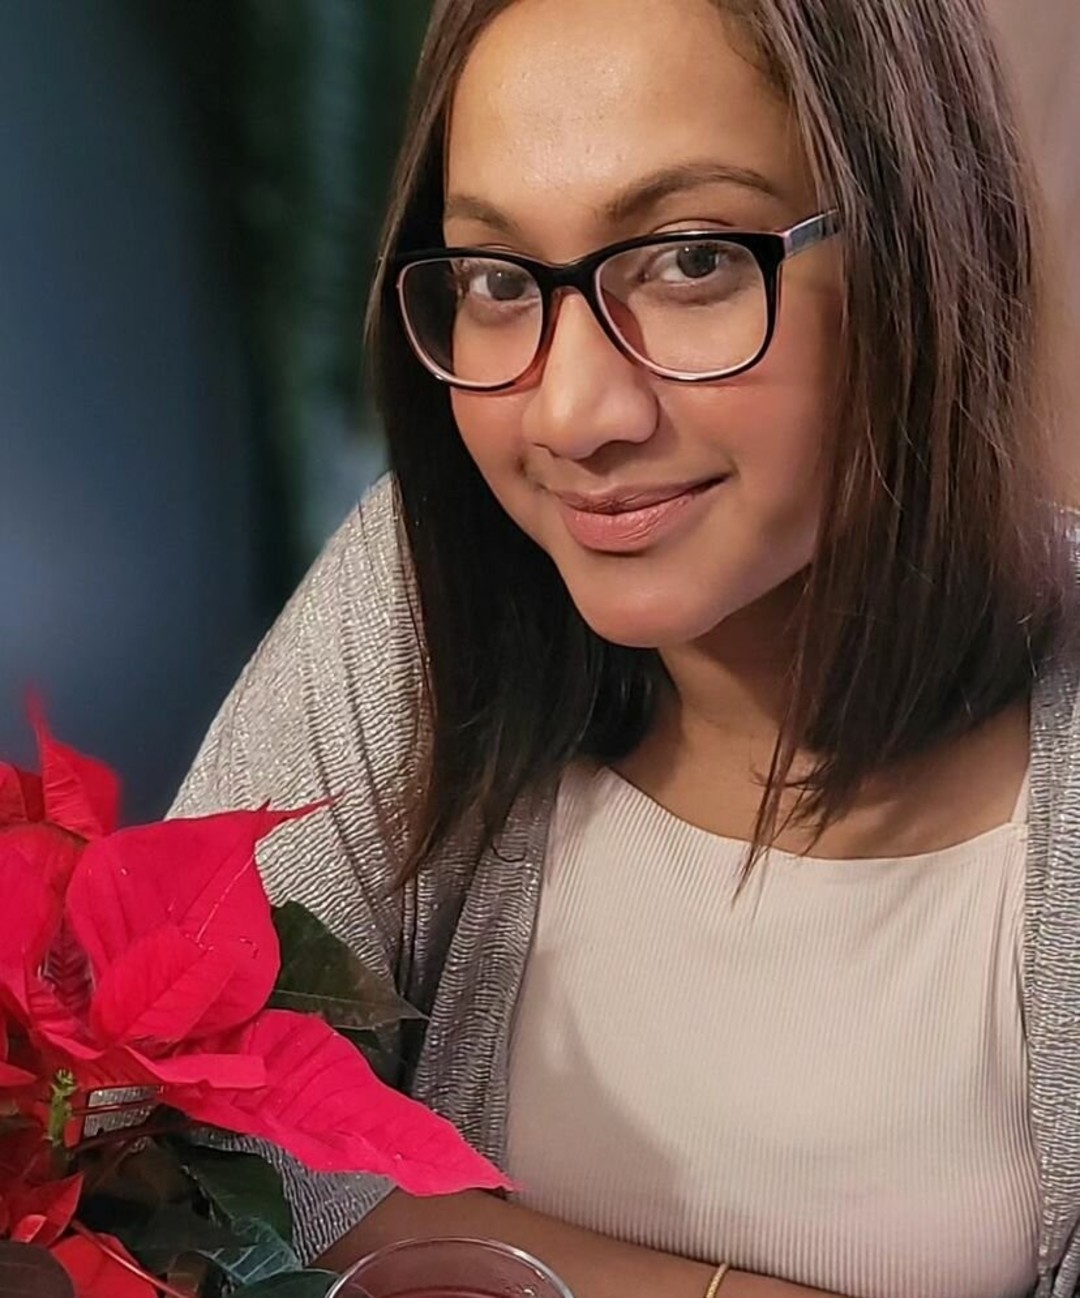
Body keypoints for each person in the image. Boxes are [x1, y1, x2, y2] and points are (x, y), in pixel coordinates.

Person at [173, 1, 1080, 1295]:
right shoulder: (423, 587)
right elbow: (194, 1125)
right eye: (498, 281)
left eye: (691, 260)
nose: (572, 412)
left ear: (926, 243)